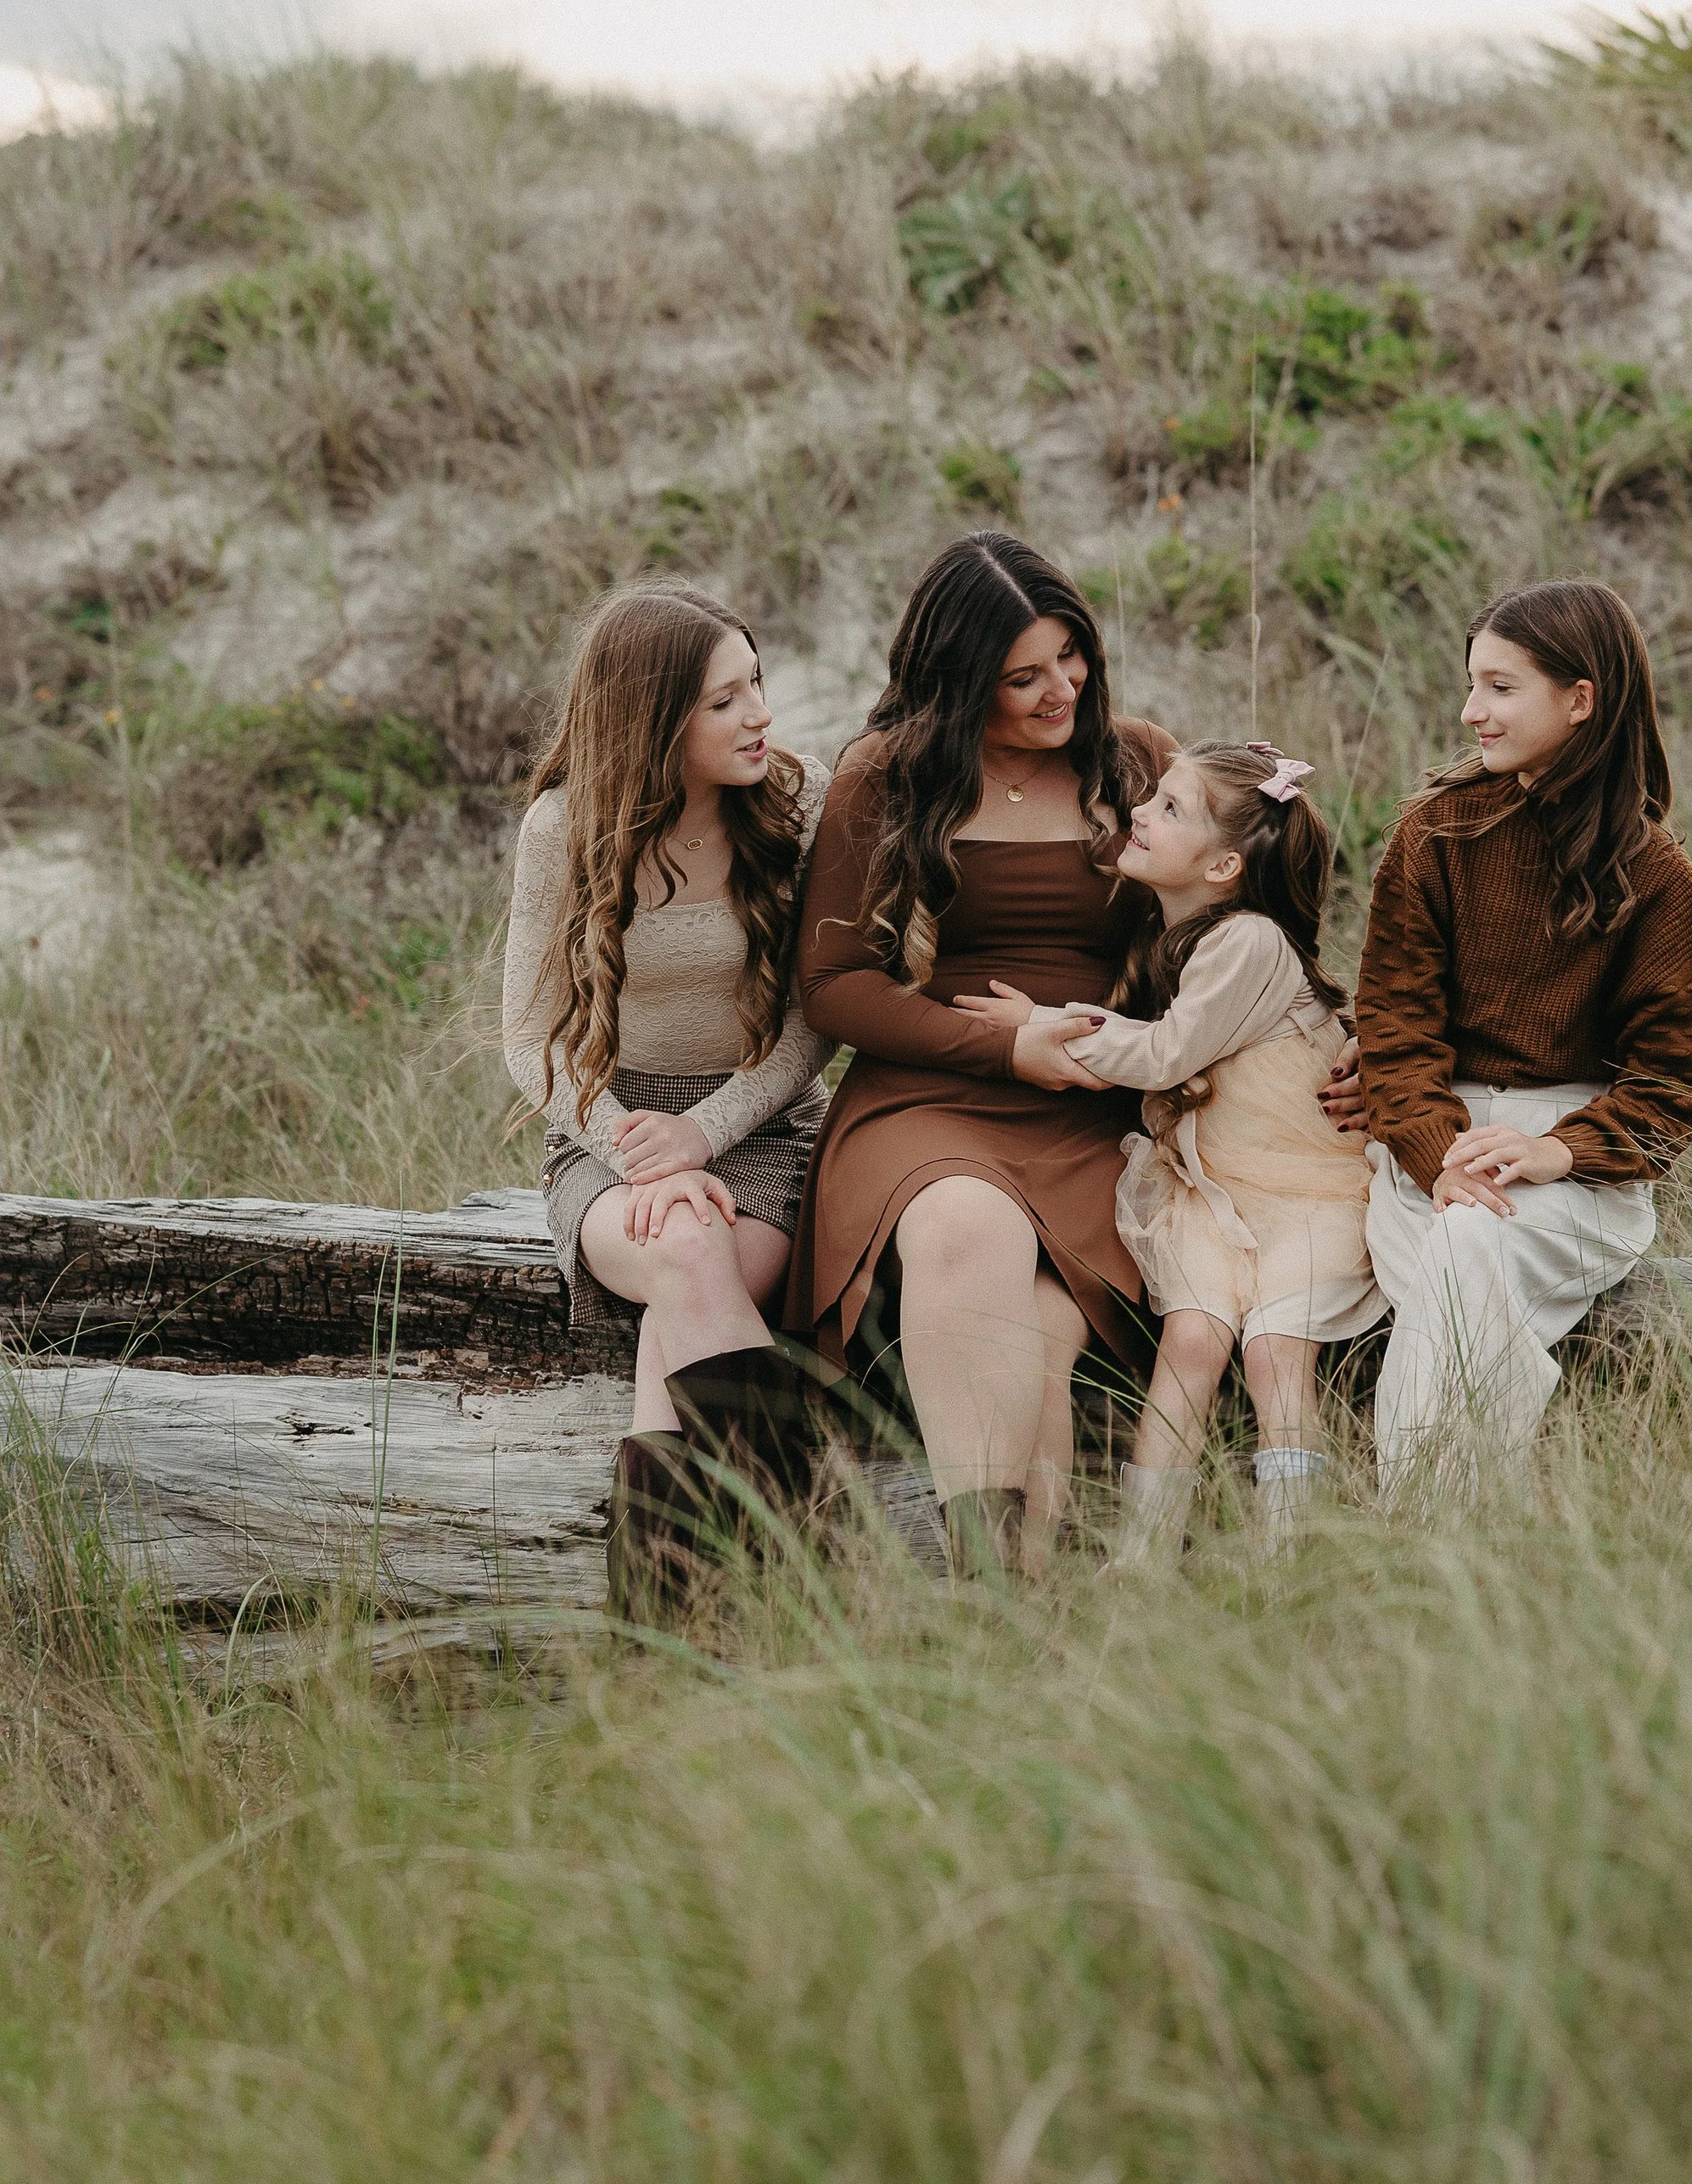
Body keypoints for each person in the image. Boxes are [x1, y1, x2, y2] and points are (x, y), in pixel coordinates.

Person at [783, 530, 1176, 1575]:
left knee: (1047, 1341)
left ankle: (1018, 1610)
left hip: (1101, 1106)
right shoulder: (887, 776)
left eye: (1071, 655)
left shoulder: (1136, 760)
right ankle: (990, 1584)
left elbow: (1228, 926)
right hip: (933, 1098)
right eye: (1023, 676)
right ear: (960, 684)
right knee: (966, 1225)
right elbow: (832, 985)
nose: (1062, 689)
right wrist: (1005, 1048)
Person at [1352, 578, 1692, 1487]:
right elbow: (1394, 1027)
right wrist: (1437, 1152)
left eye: (1500, 687)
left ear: (1580, 698)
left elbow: (1675, 1078)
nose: (1471, 710)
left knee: (1467, 1245)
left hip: (1576, 1166)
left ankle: (1412, 1527)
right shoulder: (1435, 834)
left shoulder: (1654, 872)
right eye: (1471, 683)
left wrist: (1560, 1151)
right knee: (1463, 1238)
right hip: (1425, 1148)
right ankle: (1465, 1526)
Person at [501, 583, 832, 1582]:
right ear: (653, 716)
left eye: (758, 682)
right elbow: (528, 1035)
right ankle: (786, 1553)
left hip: (765, 1131)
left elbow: (815, 1023)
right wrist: (635, 1147)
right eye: (724, 700)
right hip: (606, 1136)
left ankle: (665, 1615)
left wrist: (705, 1133)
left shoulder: (799, 801)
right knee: (686, 1248)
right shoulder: (562, 829)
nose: (760, 714)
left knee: (686, 1284)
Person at [1001, 738, 1384, 1562]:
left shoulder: (1248, 941)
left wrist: (1032, 1028)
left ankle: (1290, 1550)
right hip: (1216, 1194)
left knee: (1277, 1349)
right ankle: (1141, 1553)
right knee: (1193, 1339)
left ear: (1222, 868)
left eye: (1170, 807)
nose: (1141, 809)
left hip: (1307, 1190)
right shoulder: (1177, 939)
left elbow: (1164, 1054)